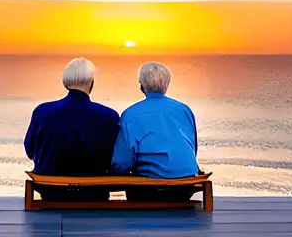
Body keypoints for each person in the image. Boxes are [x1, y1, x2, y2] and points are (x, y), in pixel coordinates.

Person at [24, 57, 120, 202]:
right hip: (94, 191)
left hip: (51, 189)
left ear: (66, 81)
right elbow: (116, 157)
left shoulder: (42, 111)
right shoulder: (109, 116)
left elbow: (30, 150)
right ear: (91, 83)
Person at [110, 62, 200, 202]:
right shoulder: (184, 110)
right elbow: (192, 148)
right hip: (185, 186)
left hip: (150, 189)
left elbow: (122, 163)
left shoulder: (130, 114)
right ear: (167, 84)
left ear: (141, 85)